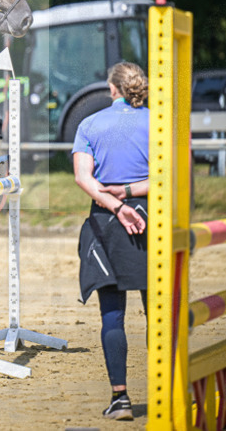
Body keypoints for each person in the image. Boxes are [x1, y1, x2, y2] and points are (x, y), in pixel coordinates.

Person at [72, 61, 150, 422]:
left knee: (113, 315)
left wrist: (118, 206)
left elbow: (84, 179)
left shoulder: (89, 124)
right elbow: (170, 176)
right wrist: (133, 192)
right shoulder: (158, 122)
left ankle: (120, 399)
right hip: (152, 217)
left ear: (112, 89)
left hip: (108, 218)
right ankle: (166, 390)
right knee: (159, 314)